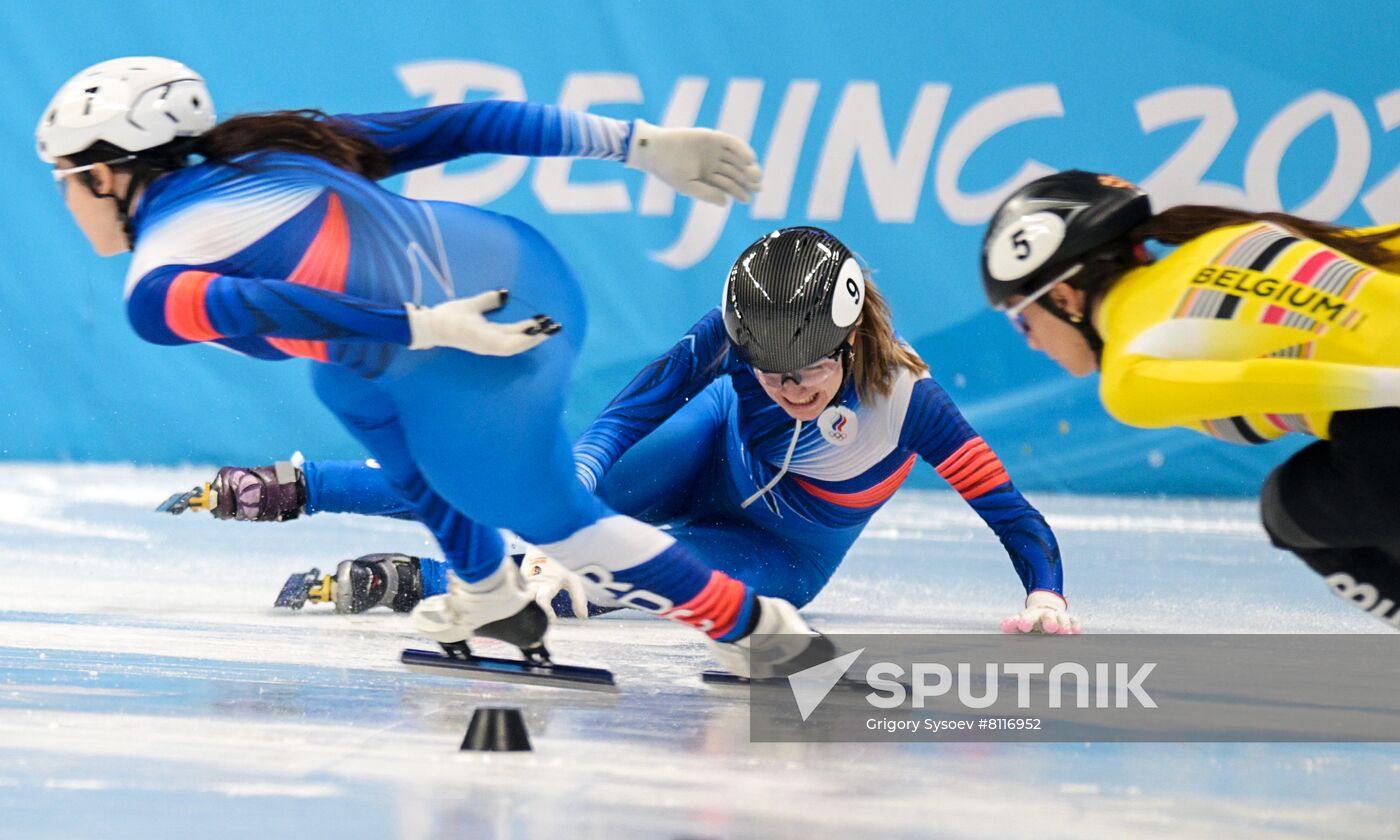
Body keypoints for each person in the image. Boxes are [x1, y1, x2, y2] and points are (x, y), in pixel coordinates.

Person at [38, 55, 834, 678]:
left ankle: (754, 630)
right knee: (346, 382)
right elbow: (463, 124)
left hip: (486, 321)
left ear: (108, 175)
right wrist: (639, 145)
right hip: (484, 273)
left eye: (68, 182)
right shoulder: (269, 151)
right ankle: (487, 594)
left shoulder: (155, 288)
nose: (68, 203)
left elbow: (276, 308)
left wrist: (423, 326)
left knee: (555, 517)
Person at [178, 226, 1080, 635]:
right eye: (769, 372)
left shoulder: (913, 400)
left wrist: (1046, 594)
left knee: (607, 574)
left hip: (786, 550)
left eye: (805, 373)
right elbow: (631, 411)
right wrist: (574, 477)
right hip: (707, 451)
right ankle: (302, 487)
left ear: (849, 341)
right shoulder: (730, 336)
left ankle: (414, 580)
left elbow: (1008, 509)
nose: (790, 390)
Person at [981, 169, 1400, 629]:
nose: (1033, 343)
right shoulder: (1233, 237)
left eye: (1023, 321)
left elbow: (1274, 380)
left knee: (1286, 510)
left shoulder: (1129, 374)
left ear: (1063, 296)